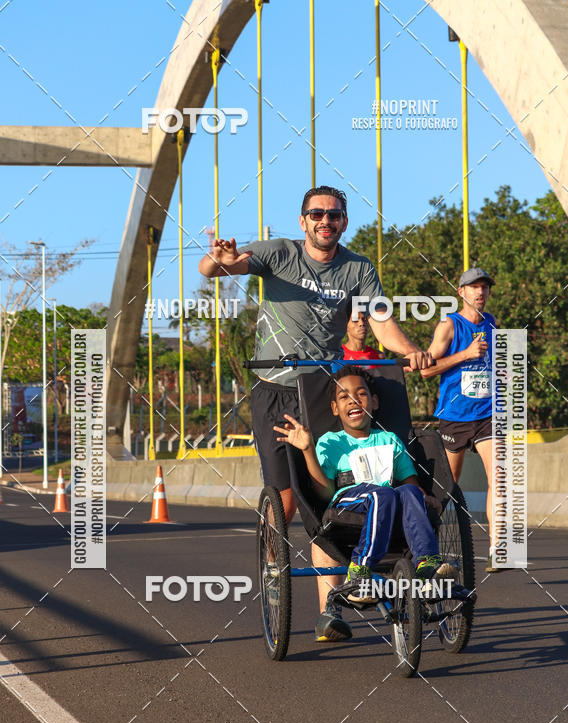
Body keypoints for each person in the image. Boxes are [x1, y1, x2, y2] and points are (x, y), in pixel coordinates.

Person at [199, 186, 433, 635]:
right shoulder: (280, 253)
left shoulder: (358, 268)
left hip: (319, 388)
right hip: (275, 389)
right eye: (317, 214)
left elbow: (381, 320)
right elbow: (214, 267)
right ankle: (274, 562)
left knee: (324, 500)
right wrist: (220, 258)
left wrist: (412, 350)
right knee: (285, 502)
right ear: (303, 220)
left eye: (335, 215)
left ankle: (331, 612)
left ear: (344, 222)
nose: (326, 221)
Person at [274, 366, 455, 641]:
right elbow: (323, 493)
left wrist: (424, 497)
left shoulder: (389, 440)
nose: (354, 400)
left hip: (390, 504)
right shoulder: (331, 442)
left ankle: (427, 563)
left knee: (407, 495)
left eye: (361, 394)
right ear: (335, 408)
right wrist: (309, 449)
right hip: (348, 505)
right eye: (345, 397)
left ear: (374, 402)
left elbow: (408, 481)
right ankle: (360, 571)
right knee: (379, 494)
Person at [421, 267, 498, 572]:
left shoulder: (492, 323)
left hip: (488, 414)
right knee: (445, 488)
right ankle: (429, 552)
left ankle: (498, 548)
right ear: (461, 292)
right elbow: (427, 369)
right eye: (474, 287)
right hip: (455, 416)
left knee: (500, 479)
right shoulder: (449, 325)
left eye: (485, 288)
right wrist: (465, 354)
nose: (480, 292)